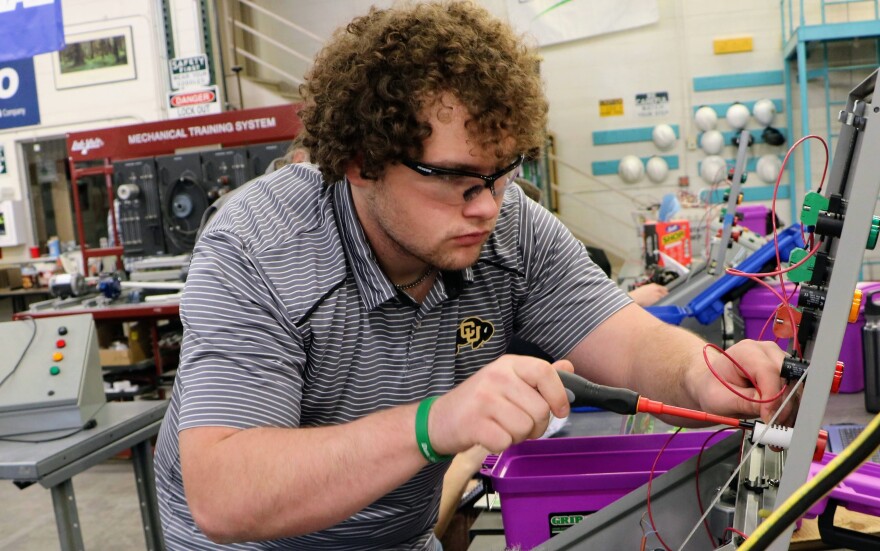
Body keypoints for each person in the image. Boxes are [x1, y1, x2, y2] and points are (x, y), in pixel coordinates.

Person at [154, 2, 794, 550]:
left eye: (502, 172)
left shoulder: (507, 224)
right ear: (359, 160)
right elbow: (225, 493)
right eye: (456, 179)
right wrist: (435, 423)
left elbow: (624, 337)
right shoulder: (260, 247)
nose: (486, 205)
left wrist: (701, 375)